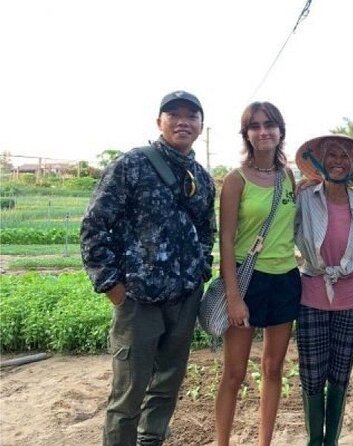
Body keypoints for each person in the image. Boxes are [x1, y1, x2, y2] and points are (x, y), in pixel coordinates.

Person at [80, 90, 216, 446]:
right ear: (160, 122)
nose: (183, 121)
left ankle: (151, 440)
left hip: (184, 299)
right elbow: (95, 225)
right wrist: (112, 285)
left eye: (192, 115)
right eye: (174, 114)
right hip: (139, 300)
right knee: (128, 394)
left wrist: (200, 268)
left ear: (201, 126)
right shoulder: (133, 164)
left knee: (167, 387)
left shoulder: (201, 177)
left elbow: (206, 228)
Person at [214, 101, 301, 446]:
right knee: (233, 375)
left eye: (270, 125)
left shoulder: (289, 177)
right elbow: (227, 241)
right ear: (246, 134)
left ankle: (264, 441)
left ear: (280, 131)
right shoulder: (235, 181)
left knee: (273, 368)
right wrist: (234, 297)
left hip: (285, 279)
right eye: (255, 126)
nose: (263, 131)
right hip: (247, 280)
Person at [294, 135, 353, 445]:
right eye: (331, 155)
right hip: (311, 297)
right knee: (312, 376)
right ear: (320, 161)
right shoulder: (304, 198)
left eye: (345, 156)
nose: (338, 161)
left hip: (351, 300)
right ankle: (315, 439)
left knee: (340, 376)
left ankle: (331, 440)